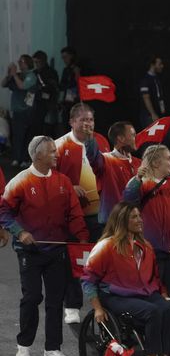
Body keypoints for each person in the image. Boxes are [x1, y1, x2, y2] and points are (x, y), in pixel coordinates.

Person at [0, 136, 88, 356]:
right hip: (29, 251)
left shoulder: (63, 181)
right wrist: (20, 232)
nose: (56, 155)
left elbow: (75, 214)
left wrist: (82, 239)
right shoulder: (19, 181)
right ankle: (24, 346)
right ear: (38, 155)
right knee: (32, 297)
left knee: (55, 300)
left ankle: (52, 348)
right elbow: (4, 212)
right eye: (52, 152)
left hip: (56, 251)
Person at [82, 202, 170, 356]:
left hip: (144, 292)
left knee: (168, 309)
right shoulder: (106, 246)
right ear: (122, 220)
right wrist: (97, 308)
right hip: (116, 296)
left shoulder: (146, 246)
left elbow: (156, 278)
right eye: (134, 217)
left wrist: (164, 295)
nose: (140, 220)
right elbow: (88, 280)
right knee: (153, 312)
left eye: (139, 216)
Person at [123, 145, 170, 319]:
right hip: (148, 253)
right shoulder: (142, 185)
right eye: (168, 158)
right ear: (155, 162)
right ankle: (154, 325)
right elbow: (128, 201)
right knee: (150, 293)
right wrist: (137, 178)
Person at [55, 103, 104, 324]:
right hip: (72, 215)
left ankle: (101, 304)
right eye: (83, 120)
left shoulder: (99, 143)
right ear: (72, 122)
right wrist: (70, 187)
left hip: (98, 213)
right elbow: (48, 178)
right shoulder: (58, 145)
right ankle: (72, 305)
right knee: (73, 260)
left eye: (91, 120)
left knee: (100, 259)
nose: (88, 124)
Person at [91, 121, 141, 224]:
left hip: (134, 223)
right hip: (112, 224)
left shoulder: (139, 163)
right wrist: (88, 136)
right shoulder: (105, 159)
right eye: (132, 135)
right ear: (121, 138)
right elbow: (92, 155)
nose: (136, 138)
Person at [2, 54, 38, 167]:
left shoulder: (31, 76)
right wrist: (9, 75)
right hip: (17, 110)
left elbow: (22, 86)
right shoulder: (18, 75)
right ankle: (17, 158)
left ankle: (25, 159)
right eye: (19, 61)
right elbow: (3, 84)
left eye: (22, 61)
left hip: (26, 110)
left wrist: (14, 75)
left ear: (27, 63)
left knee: (26, 135)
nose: (19, 63)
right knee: (17, 135)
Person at [31, 51, 59, 139]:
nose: (36, 64)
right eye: (34, 62)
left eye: (37, 62)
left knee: (49, 130)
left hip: (48, 105)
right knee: (37, 130)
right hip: (36, 104)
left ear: (43, 61)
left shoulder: (51, 72)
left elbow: (53, 89)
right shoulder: (34, 73)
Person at [139, 55, 166, 130]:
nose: (162, 66)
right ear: (152, 65)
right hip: (149, 116)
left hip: (159, 114)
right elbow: (146, 97)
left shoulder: (157, 78)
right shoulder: (145, 80)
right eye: (159, 64)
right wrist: (153, 114)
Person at [58, 46, 81, 129]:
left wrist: (77, 74)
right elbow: (62, 86)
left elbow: (80, 84)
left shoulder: (79, 68)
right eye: (63, 58)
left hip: (77, 103)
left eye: (65, 57)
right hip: (66, 103)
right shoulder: (66, 70)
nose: (64, 60)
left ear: (71, 56)